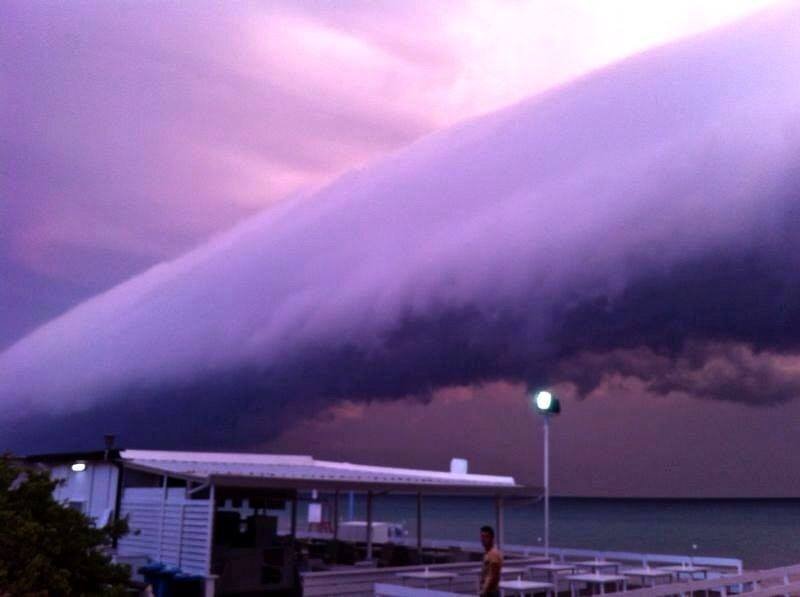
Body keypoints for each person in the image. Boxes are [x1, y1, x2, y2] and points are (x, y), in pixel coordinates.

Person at [479, 525, 503, 597]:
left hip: (491, 592)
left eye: (485, 537)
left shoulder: (493, 554)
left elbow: (492, 575)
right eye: (481, 537)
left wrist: (484, 591)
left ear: (491, 538)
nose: (483, 539)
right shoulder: (488, 553)